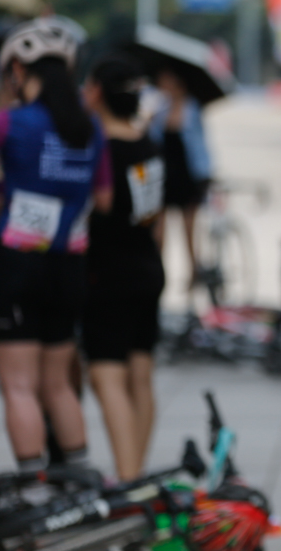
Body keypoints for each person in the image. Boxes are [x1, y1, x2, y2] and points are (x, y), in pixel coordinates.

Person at [0, 18, 111, 473]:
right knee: (58, 385)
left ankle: (33, 484)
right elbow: (104, 200)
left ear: (19, 70)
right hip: (68, 266)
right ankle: (80, 480)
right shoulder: (91, 128)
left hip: (16, 265)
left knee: (18, 386)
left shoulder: (9, 123)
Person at [81, 58, 166, 481]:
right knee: (140, 375)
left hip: (108, 271)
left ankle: (128, 481)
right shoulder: (147, 145)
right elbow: (158, 217)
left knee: (106, 374)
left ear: (97, 91)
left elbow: (103, 207)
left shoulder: (101, 149)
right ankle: (136, 474)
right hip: (148, 267)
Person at [150, 66, 212, 287]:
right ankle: (158, 273)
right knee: (159, 231)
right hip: (165, 175)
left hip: (187, 174)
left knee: (189, 231)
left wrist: (206, 174)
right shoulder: (159, 109)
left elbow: (200, 144)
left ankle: (193, 273)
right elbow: (152, 139)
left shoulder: (192, 108)